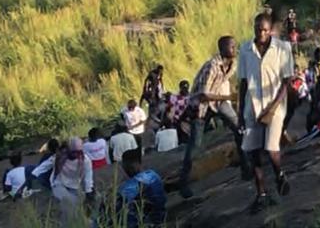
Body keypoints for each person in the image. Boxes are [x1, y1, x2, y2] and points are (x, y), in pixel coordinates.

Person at [179, 35, 251, 199]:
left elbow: (224, 82)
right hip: (201, 105)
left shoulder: (232, 63)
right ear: (222, 49)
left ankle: (246, 167)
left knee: (239, 128)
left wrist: (230, 97)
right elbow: (203, 94)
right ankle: (183, 182)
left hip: (217, 100)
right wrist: (229, 97)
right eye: (232, 46)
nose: (235, 49)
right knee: (195, 145)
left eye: (235, 46)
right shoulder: (212, 65)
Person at [238, 13, 296, 213]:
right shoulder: (245, 50)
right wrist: (240, 113)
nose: (261, 33)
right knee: (253, 152)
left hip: (275, 104)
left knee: (271, 148)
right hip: (252, 106)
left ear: (270, 30)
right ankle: (261, 193)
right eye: (257, 29)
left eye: (264, 30)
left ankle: (279, 174)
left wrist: (272, 108)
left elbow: (286, 81)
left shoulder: (283, 48)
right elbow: (243, 82)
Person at [33, 137, 94, 223]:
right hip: (58, 184)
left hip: (74, 186)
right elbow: (43, 167)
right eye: (73, 151)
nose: (75, 154)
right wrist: (34, 176)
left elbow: (88, 176)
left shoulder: (85, 160)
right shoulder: (59, 157)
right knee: (69, 204)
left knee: (77, 206)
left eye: (78, 152)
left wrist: (88, 191)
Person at [116, 148, 167, 228]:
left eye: (125, 166)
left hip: (146, 223)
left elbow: (117, 202)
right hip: (160, 218)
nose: (125, 169)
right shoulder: (152, 174)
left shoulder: (134, 184)